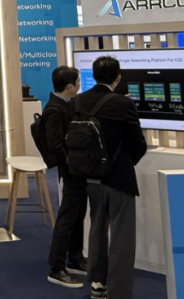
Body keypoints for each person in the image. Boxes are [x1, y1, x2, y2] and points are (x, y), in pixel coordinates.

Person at [75, 56, 148, 299]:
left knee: (96, 229)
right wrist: (124, 163)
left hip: (89, 177)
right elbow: (139, 144)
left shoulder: (78, 101)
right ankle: (119, 292)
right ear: (118, 78)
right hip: (119, 179)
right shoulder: (123, 104)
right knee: (122, 238)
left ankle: (97, 283)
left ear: (93, 75)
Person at [43, 66, 88, 289]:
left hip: (78, 170)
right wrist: (70, 167)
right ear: (69, 86)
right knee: (67, 217)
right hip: (71, 171)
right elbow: (56, 145)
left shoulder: (69, 103)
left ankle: (75, 258)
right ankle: (56, 267)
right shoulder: (54, 109)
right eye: (78, 82)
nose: (80, 85)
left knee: (78, 214)